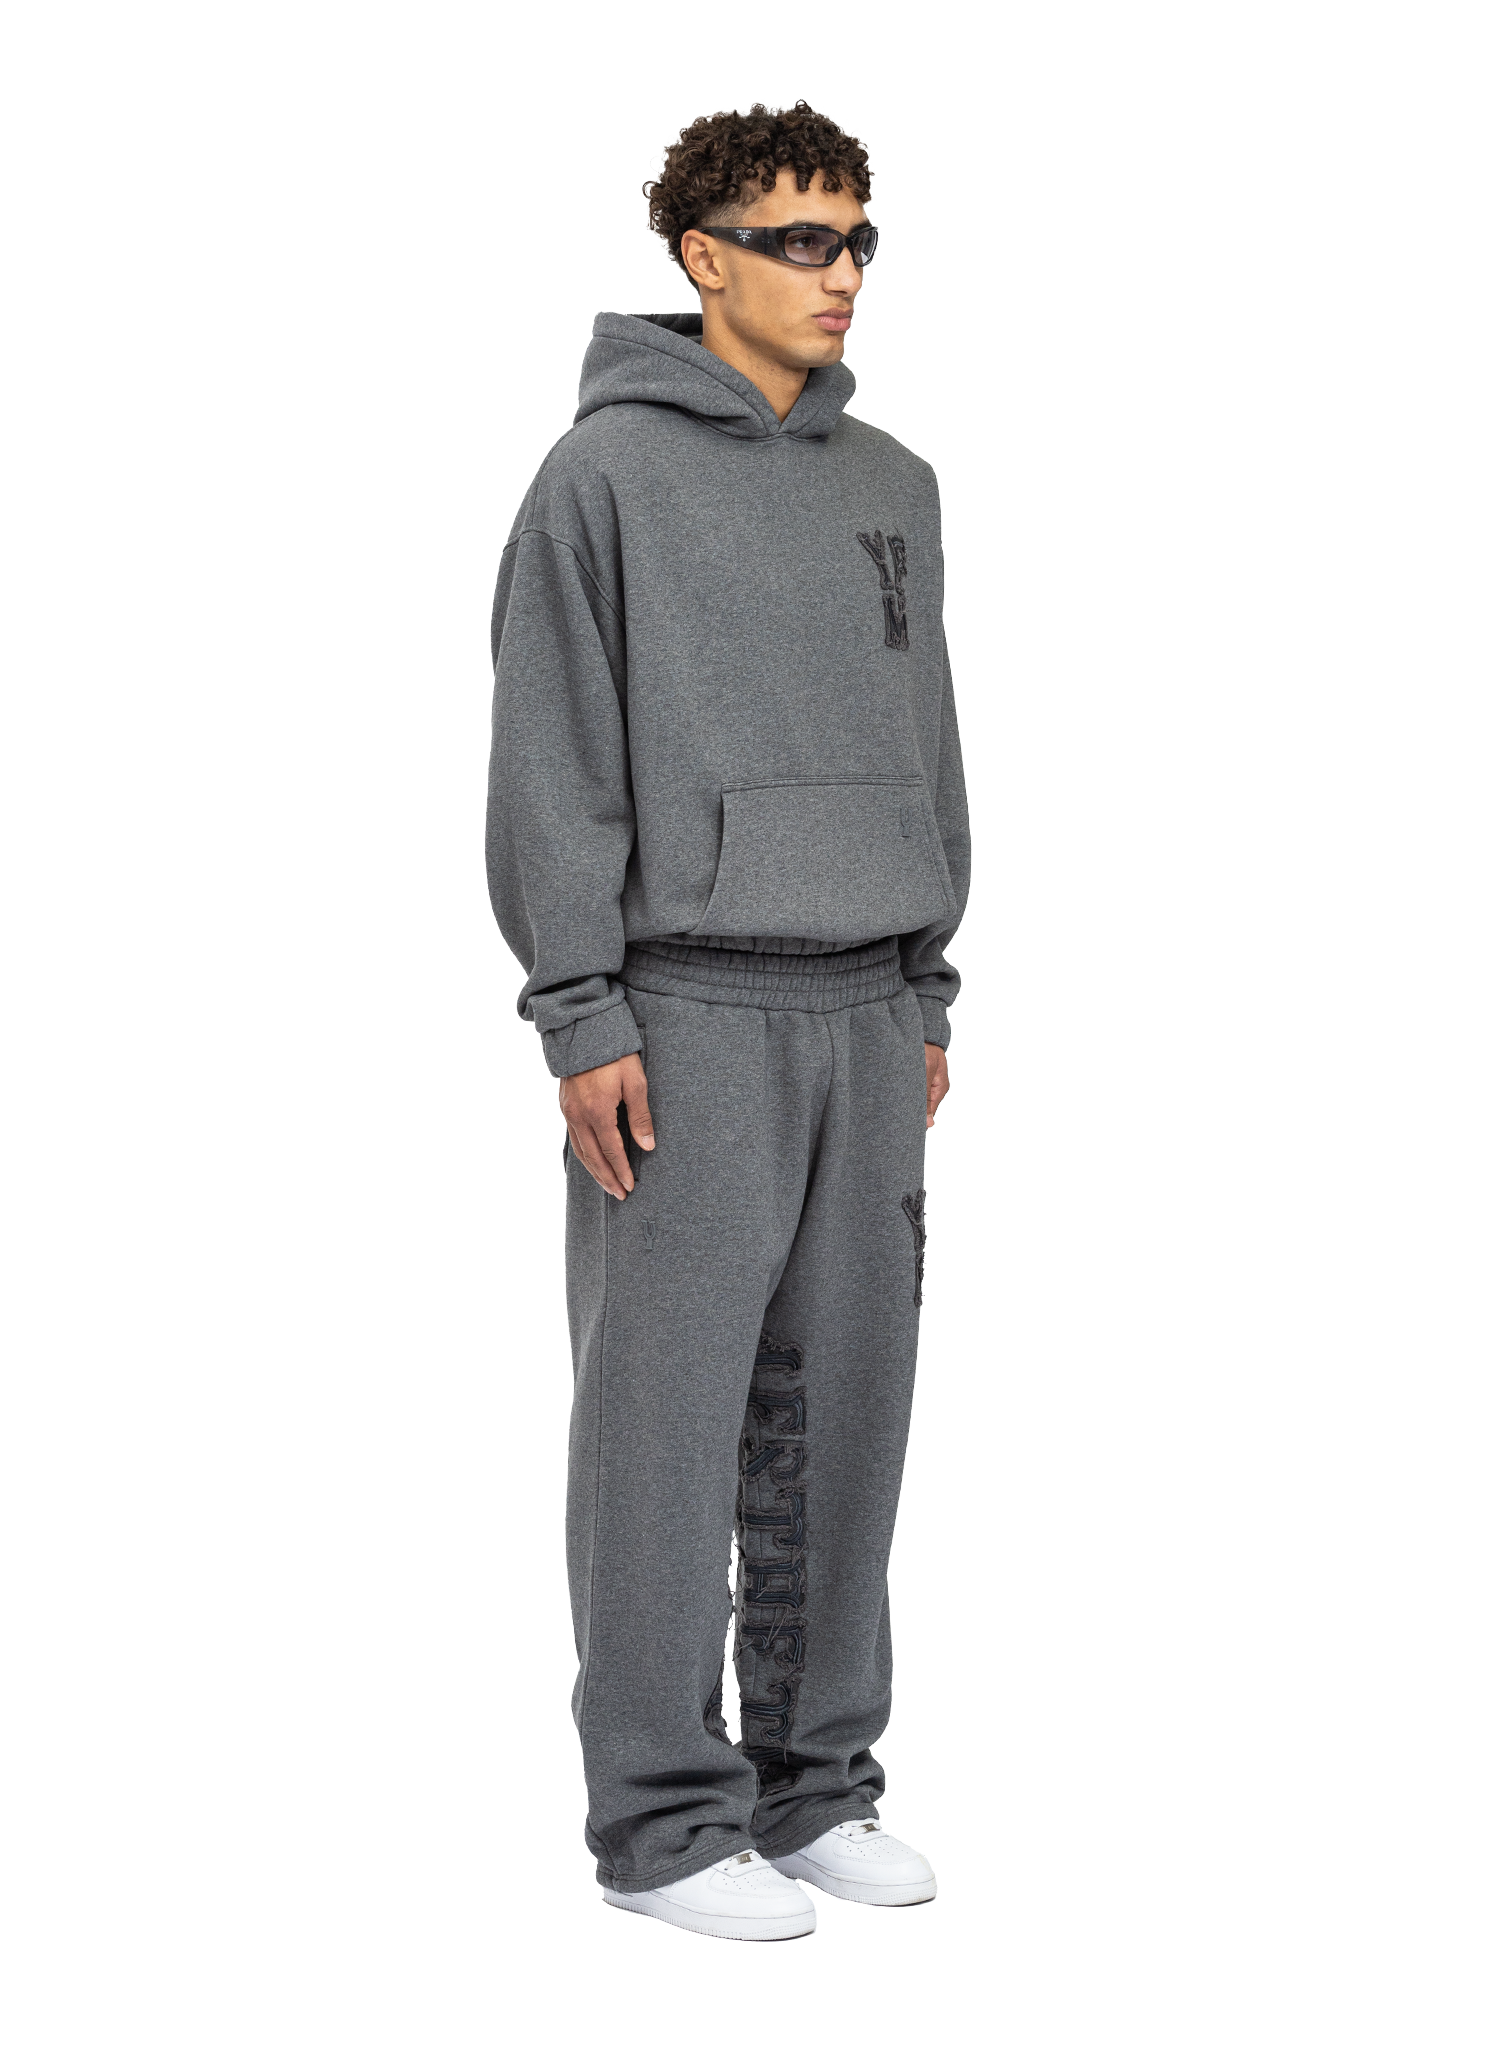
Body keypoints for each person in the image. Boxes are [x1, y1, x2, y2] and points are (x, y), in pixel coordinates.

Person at [486, 100, 969, 1942]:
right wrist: (580, 1011)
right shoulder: (599, 479)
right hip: (681, 1012)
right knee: (665, 1433)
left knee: (847, 1424)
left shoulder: (894, 483)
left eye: (858, 239)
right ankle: (664, 1822)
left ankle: (814, 1784)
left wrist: (925, 982)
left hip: (866, 1012)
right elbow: (549, 760)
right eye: (799, 240)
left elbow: (929, 750)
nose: (839, 274)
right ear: (702, 257)